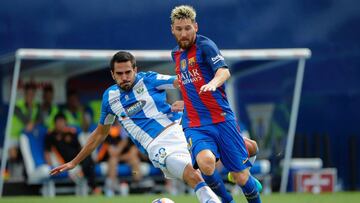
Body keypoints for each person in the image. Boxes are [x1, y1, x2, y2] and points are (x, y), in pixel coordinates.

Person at [50, 51, 221, 203]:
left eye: (128, 72)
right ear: (112, 75)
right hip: (157, 145)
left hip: (181, 127)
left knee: (239, 148)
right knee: (192, 173)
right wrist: (74, 162)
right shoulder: (110, 98)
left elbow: (183, 82)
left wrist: (188, 102)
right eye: (119, 73)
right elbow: (100, 134)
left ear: (135, 70)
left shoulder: (149, 79)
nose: (124, 77)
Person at [170, 5, 261, 203]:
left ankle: (249, 154)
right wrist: (186, 102)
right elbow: (192, 84)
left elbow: (224, 71)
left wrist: (213, 83)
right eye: (179, 29)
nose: (184, 33)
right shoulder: (175, 54)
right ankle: (227, 201)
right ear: (172, 30)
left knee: (242, 178)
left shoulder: (205, 46)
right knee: (206, 163)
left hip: (221, 119)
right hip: (195, 123)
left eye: (188, 28)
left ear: (196, 26)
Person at [44, 113, 100, 195]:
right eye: (58, 122)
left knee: (89, 159)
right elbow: (47, 152)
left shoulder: (71, 133)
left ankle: (81, 173)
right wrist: (50, 166)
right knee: (88, 164)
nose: (60, 124)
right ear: (55, 124)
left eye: (62, 122)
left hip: (77, 159)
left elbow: (80, 147)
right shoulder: (50, 136)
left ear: (65, 122)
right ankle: (93, 187)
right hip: (65, 161)